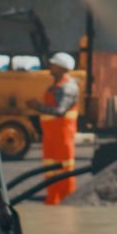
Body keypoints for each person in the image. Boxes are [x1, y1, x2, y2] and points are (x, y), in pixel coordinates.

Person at [37, 51, 81, 205]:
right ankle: (53, 198)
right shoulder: (56, 86)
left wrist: (38, 107)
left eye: (53, 64)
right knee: (51, 167)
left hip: (62, 134)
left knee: (64, 167)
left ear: (61, 67)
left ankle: (66, 199)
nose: (50, 67)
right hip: (52, 135)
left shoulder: (67, 87)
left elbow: (60, 111)